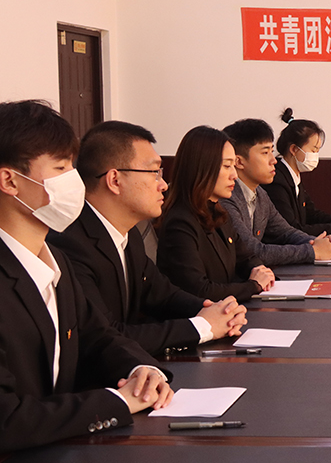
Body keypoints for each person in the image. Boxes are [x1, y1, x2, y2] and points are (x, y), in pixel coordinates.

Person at [0, 100, 172, 451]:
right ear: (9, 180)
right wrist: (118, 402)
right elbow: (7, 420)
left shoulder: (56, 261)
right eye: (60, 168)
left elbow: (97, 335)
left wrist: (141, 370)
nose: (73, 181)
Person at [49, 121, 248, 356]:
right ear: (115, 180)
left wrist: (219, 311)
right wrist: (204, 326)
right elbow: (107, 335)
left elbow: (162, 295)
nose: (163, 185)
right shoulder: (70, 244)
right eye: (154, 173)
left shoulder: (130, 233)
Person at [157, 126, 275, 303]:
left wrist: (261, 272)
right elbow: (200, 290)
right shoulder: (180, 222)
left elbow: (246, 257)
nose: (234, 175)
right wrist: (253, 286)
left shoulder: (218, 211)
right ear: (202, 168)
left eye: (233, 166)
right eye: (227, 166)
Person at [220, 118, 331, 266]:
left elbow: (285, 232)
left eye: (272, 151)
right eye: (265, 153)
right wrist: (312, 251)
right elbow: (253, 251)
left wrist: (317, 242)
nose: (274, 160)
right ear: (239, 162)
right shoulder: (226, 198)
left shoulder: (260, 194)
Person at [262, 108, 331, 238]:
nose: (315, 155)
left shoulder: (294, 176)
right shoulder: (276, 180)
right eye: (313, 150)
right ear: (294, 149)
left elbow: (311, 214)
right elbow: (291, 229)